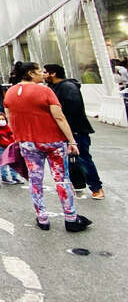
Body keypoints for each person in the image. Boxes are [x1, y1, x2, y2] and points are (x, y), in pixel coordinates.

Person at [4, 61, 91, 232]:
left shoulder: (10, 93)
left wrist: (18, 137)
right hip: (52, 141)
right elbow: (59, 117)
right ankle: (71, 217)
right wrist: (71, 141)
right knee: (61, 178)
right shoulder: (45, 90)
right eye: (38, 71)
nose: (42, 74)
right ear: (30, 73)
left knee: (35, 179)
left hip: (27, 142)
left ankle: (42, 217)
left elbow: (10, 118)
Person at [44, 64, 104, 200]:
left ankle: (96, 187)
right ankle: (75, 184)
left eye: (45, 72)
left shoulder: (67, 88)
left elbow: (72, 111)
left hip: (75, 130)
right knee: (69, 160)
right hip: (64, 130)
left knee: (83, 159)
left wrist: (71, 132)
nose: (43, 75)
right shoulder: (54, 87)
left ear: (53, 74)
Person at [0, 112, 24, 184]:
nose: (1, 120)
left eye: (2, 119)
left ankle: (14, 177)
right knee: (4, 163)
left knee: (14, 162)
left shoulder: (9, 128)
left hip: (12, 147)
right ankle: (5, 177)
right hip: (3, 148)